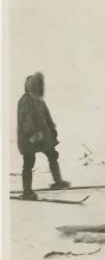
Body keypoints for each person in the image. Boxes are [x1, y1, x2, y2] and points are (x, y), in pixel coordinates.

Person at [17, 72, 70, 200]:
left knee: (52, 155)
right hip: (29, 138)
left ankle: (58, 182)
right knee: (29, 163)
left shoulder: (39, 100)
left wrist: (52, 129)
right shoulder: (25, 100)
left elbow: (47, 116)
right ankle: (27, 192)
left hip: (43, 137)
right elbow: (25, 119)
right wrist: (32, 133)